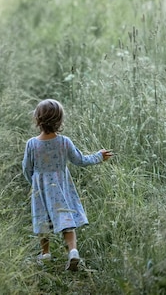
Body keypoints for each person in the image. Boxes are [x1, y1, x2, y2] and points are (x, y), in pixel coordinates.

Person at [22, 98, 113, 271]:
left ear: (37, 120)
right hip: (61, 188)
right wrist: (99, 156)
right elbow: (80, 160)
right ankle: (73, 251)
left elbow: (26, 168)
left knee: (42, 220)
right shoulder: (64, 142)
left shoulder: (32, 144)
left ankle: (46, 253)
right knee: (66, 218)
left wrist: (33, 185)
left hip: (40, 189)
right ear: (60, 121)